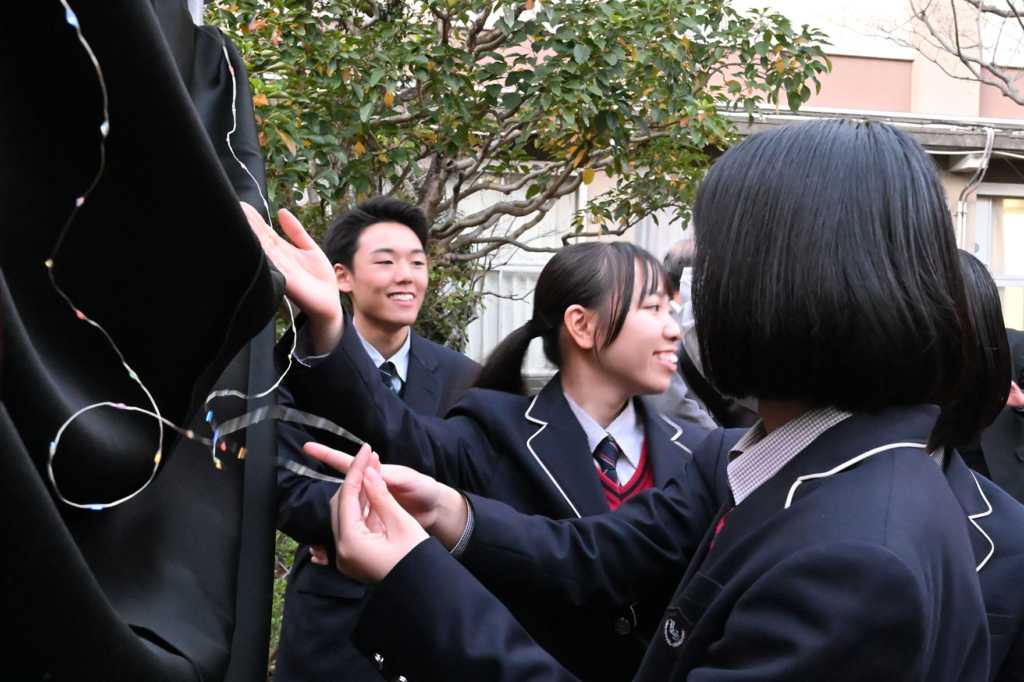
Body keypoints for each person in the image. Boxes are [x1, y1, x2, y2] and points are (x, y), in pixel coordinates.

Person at [309, 119, 990, 681]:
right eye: (656, 302)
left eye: (706, 263)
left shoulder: (856, 560)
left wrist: (413, 578)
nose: (683, 310)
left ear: (792, 280)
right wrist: (452, 514)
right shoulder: (748, 460)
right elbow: (593, 554)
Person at [247, 204, 708, 680]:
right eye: (652, 308)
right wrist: (329, 324)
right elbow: (397, 434)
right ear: (582, 325)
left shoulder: (701, 453)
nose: (673, 327)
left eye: (671, 308)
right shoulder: (494, 426)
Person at [248, 197, 480, 682]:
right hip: (335, 619)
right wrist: (422, 508)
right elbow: (288, 491)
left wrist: (363, 505)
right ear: (342, 277)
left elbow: (478, 480)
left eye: (417, 262)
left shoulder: (465, 377)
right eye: (386, 262)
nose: (406, 276)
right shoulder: (291, 368)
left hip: (438, 610)